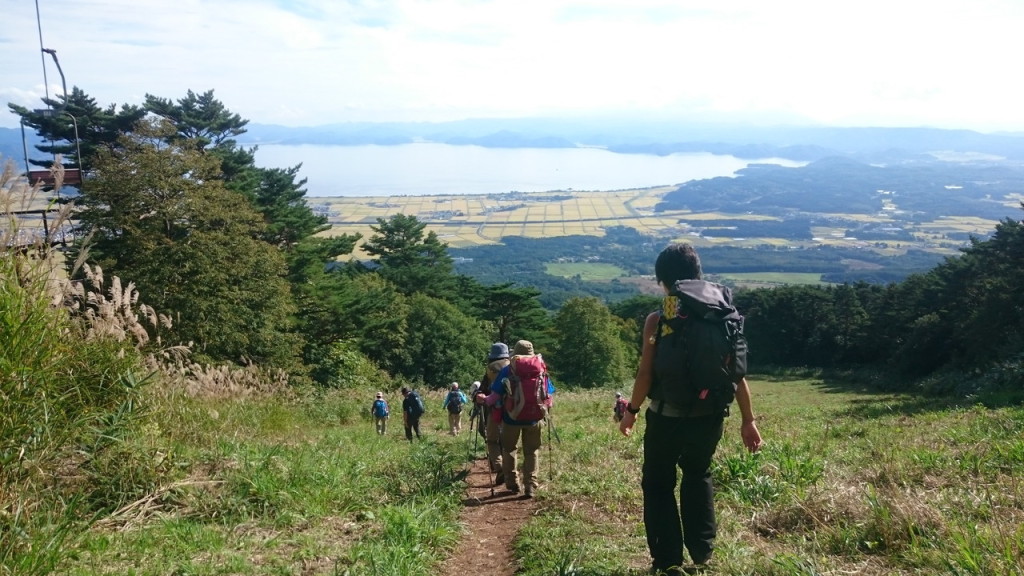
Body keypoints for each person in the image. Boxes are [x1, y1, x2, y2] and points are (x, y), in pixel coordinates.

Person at [619, 243, 762, 575]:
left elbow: (645, 374)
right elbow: (737, 374)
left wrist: (631, 411)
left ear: (664, 282)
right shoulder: (722, 317)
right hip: (710, 414)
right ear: (697, 274)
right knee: (699, 474)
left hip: (666, 416)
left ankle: (668, 561)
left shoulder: (659, 319)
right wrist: (748, 420)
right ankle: (702, 552)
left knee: (658, 483)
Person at [482, 340, 554, 498]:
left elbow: (494, 396)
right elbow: (549, 394)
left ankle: (512, 482)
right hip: (535, 418)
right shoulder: (541, 368)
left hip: (511, 418)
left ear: (515, 353)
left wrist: (484, 400)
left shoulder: (508, 370)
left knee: (509, 449)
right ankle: (530, 485)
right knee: (532, 451)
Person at [476, 342, 510, 484]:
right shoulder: (514, 366)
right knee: (510, 443)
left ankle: (499, 466)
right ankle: (511, 472)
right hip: (514, 410)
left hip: (495, 410)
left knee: (492, 440)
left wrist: (478, 396)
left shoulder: (491, 369)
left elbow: (483, 390)